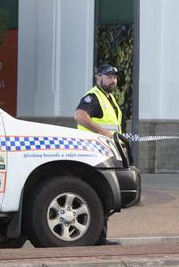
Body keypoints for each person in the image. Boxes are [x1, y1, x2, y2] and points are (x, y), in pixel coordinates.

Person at [74, 63, 123, 246]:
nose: (113, 80)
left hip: (106, 151)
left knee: (103, 194)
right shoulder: (93, 97)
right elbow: (79, 115)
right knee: (98, 193)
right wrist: (103, 132)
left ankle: (99, 236)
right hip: (92, 153)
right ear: (99, 78)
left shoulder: (109, 98)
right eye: (109, 76)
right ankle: (97, 237)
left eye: (115, 77)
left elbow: (114, 128)